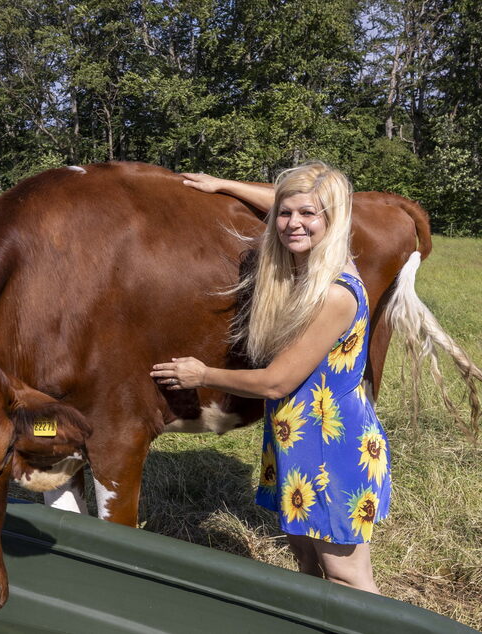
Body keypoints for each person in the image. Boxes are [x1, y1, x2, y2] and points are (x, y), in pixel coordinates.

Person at [150, 162, 390, 594]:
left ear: (333, 220)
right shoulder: (314, 264)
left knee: (346, 575)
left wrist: (201, 373)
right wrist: (223, 183)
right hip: (297, 437)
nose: (293, 223)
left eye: (308, 214)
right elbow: (284, 207)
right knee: (305, 560)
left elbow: (276, 383)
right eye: (286, 213)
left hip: (333, 446)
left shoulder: (334, 293)